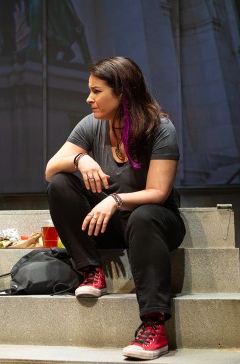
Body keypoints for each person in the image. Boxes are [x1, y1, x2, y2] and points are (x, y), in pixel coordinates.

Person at [44, 56, 185, 360]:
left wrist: (115, 199)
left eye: (96, 91)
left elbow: (158, 193)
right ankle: (91, 270)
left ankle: (154, 327)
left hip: (153, 225)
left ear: (121, 92)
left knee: (144, 216)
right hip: (107, 226)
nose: (89, 98)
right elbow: (51, 168)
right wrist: (81, 159)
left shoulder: (160, 128)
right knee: (59, 184)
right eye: (89, 91)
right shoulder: (91, 124)